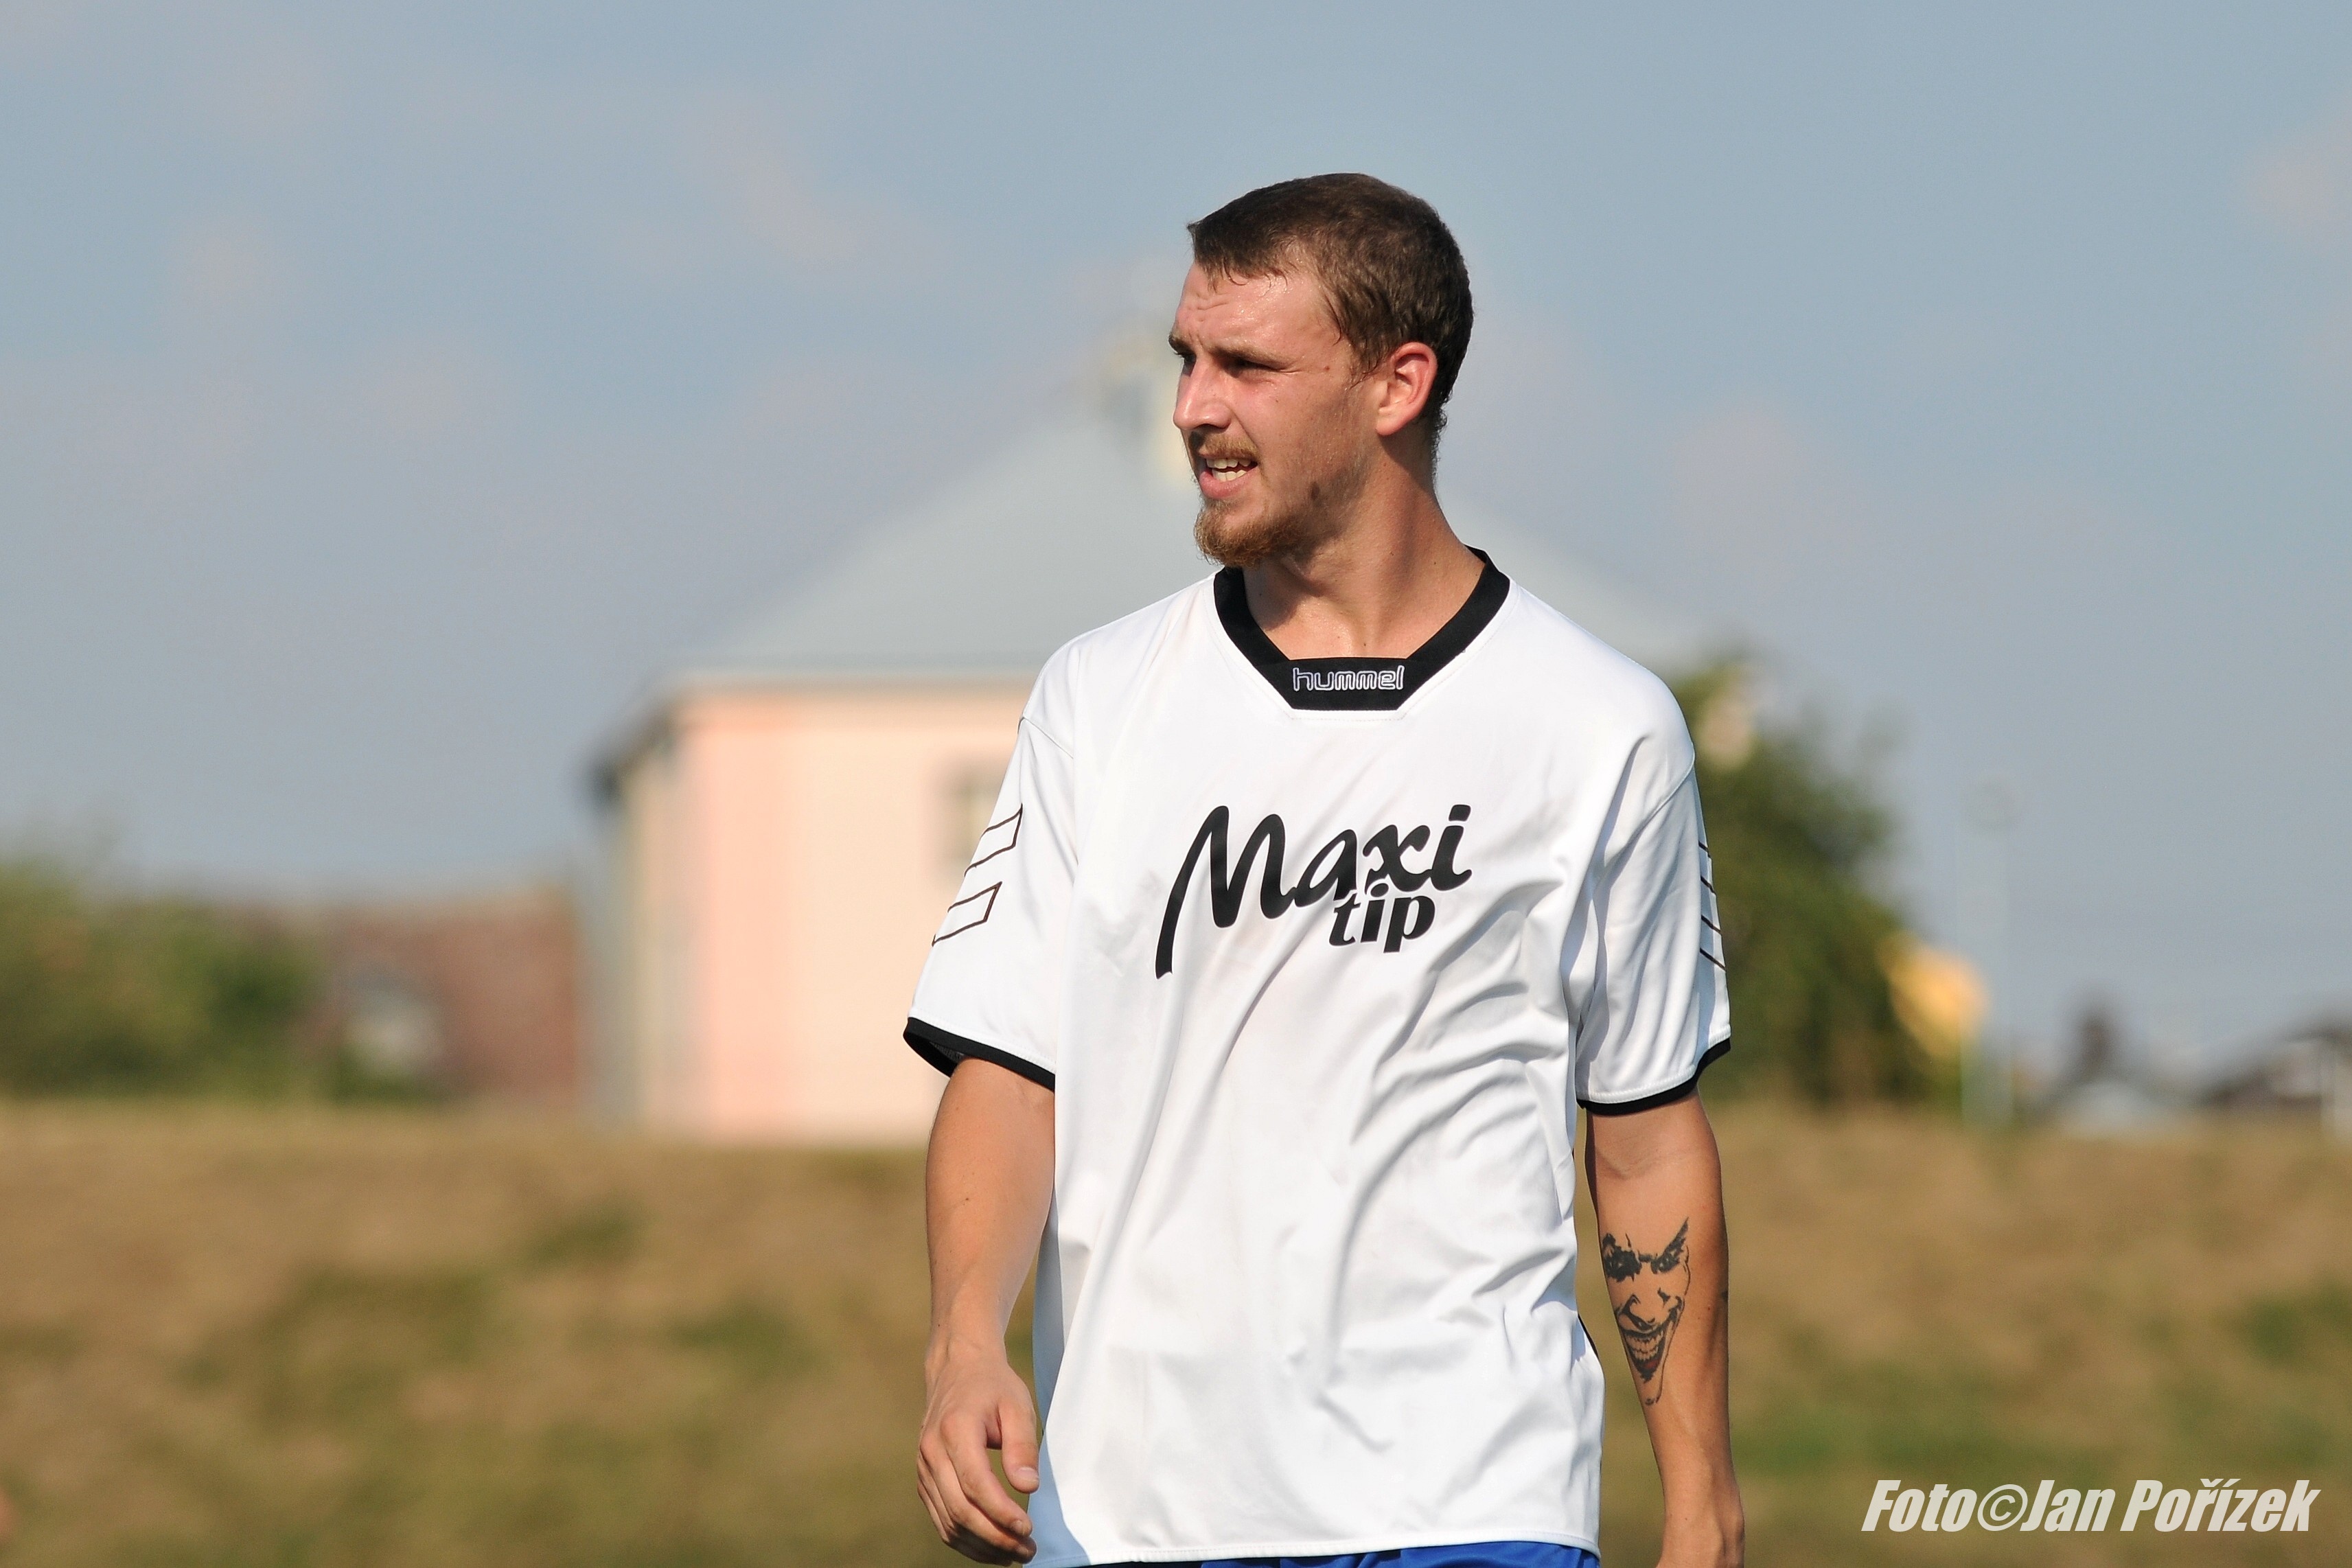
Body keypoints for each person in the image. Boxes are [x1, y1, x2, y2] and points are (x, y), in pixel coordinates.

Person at [908, 173, 1742, 1568]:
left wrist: (1703, 1507)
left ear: (1397, 383)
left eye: (1245, 365)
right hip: (1135, 1515)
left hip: (1480, 1505)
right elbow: (1008, 1068)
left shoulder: (1603, 725)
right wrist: (961, 1346)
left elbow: (1647, 1133)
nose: (1191, 406)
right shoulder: (1098, 698)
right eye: (1185, 358)